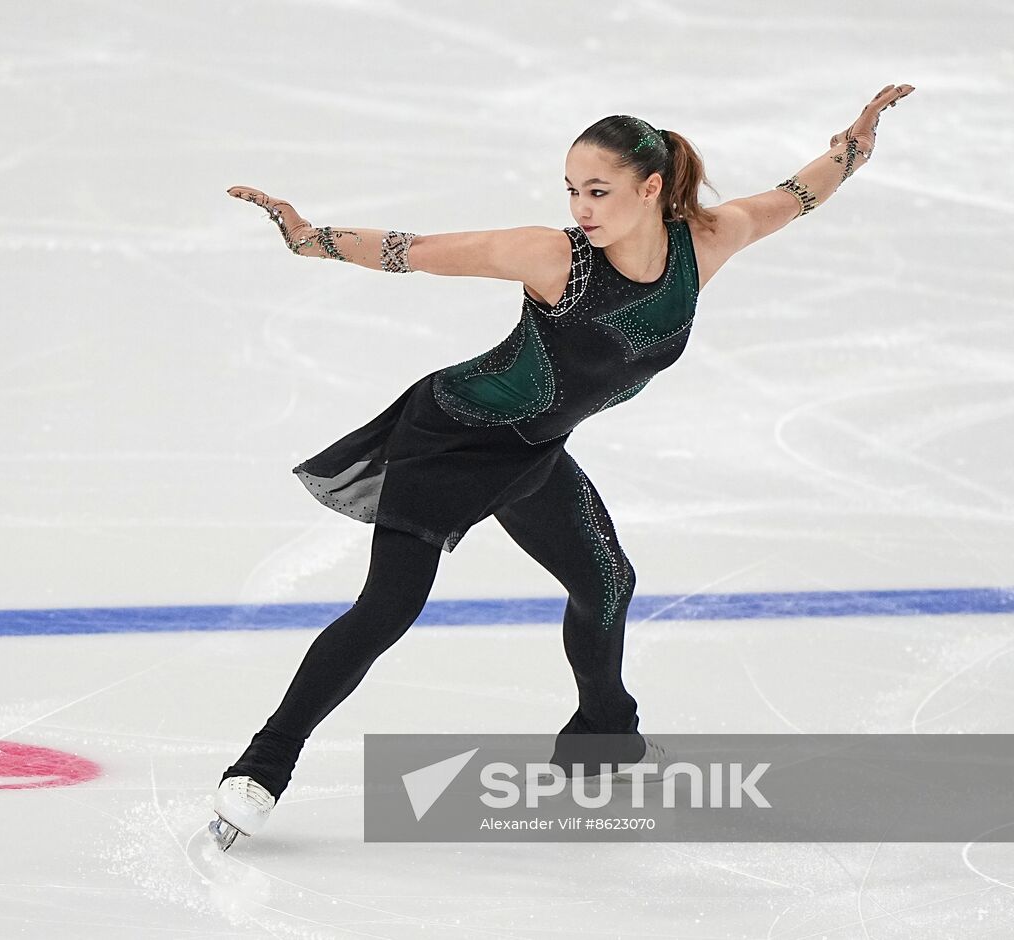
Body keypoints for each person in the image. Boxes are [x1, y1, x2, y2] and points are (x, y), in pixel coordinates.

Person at [208, 84, 917, 851]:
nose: (581, 206)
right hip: (450, 438)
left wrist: (853, 146)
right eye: (573, 189)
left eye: (599, 191)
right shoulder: (554, 257)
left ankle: (603, 740)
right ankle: (260, 768)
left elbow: (794, 194)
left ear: (651, 190)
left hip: (532, 454)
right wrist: (312, 237)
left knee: (607, 581)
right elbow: (412, 252)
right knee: (387, 609)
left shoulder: (703, 244)